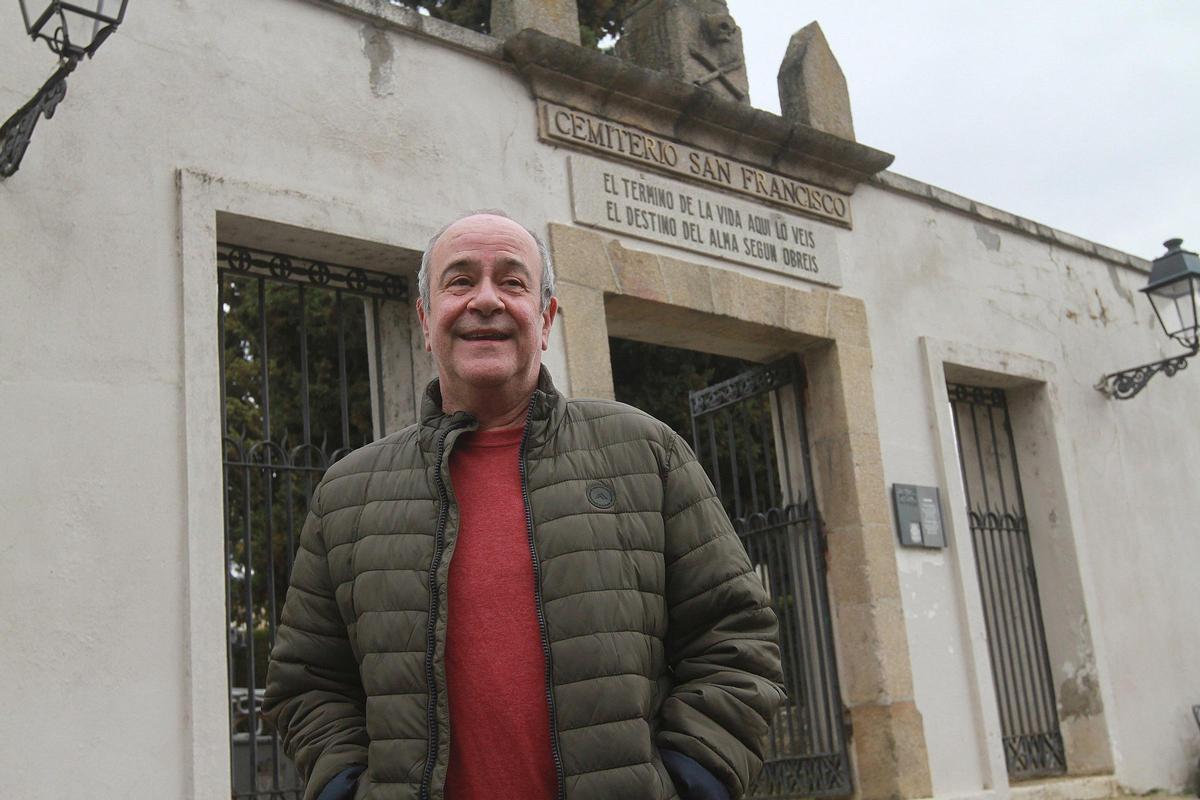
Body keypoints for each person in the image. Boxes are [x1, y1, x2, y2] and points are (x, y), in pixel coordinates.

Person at [263, 211, 785, 800]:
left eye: (512, 281)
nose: (485, 299)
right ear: (425, 319)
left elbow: (736, 638)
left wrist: (695, 780)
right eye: (459, 281)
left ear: (546, 319)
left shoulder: (645, 452)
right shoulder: (346, 494)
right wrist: (344, 786)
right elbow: (307, 682)